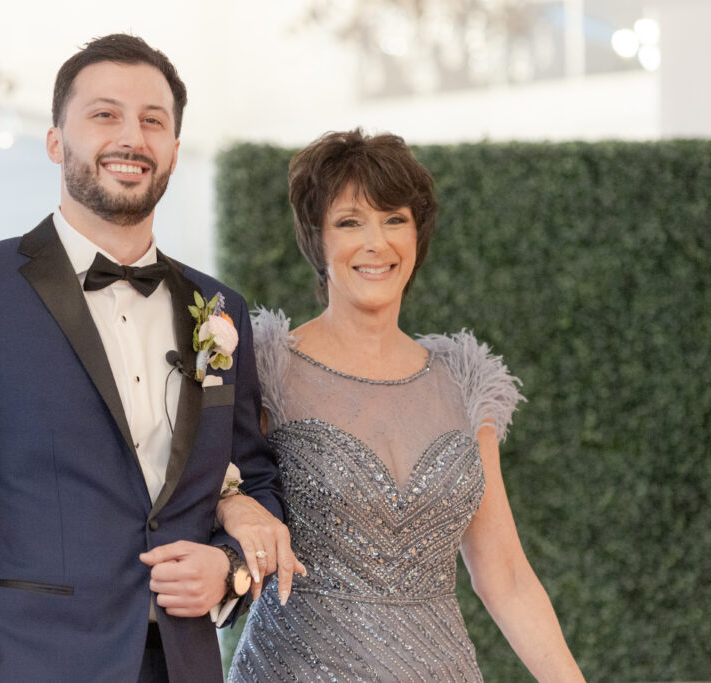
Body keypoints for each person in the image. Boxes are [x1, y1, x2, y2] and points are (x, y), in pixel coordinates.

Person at [0, 34, 295, 683]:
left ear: (175, 151)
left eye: (153, 120)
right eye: (105, 114)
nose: (132, 136)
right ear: (54, 140)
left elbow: (256, 480)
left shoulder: (221, 308)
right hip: (21, 663)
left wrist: (230, 566)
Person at [222, 129, 585, 681]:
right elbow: (210, 501)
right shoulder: (266, 367)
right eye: (350, 222)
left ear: (417, 236)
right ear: (317, 240)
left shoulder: (463, 381)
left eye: (395, 219)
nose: (376, 242)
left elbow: (505, 574)